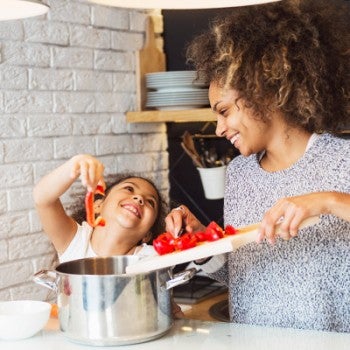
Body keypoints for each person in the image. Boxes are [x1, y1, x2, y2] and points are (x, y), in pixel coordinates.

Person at [165, 0, 350, 332]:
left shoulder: (340, 160)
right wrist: (203, 245)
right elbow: (240, 272)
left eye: (224, 111)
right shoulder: (239, 174)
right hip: (250, 338)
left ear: (262, 92)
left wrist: (327, 200)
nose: (220, 129)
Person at [33, 154, 167, 263]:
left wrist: (181, 216)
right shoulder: (76, 242)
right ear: (97, 206)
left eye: (150, 202)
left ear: (147, 235)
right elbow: (43, 199)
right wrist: (76, 163)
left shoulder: (151, 257)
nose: (139, 198)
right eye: (129, 189)